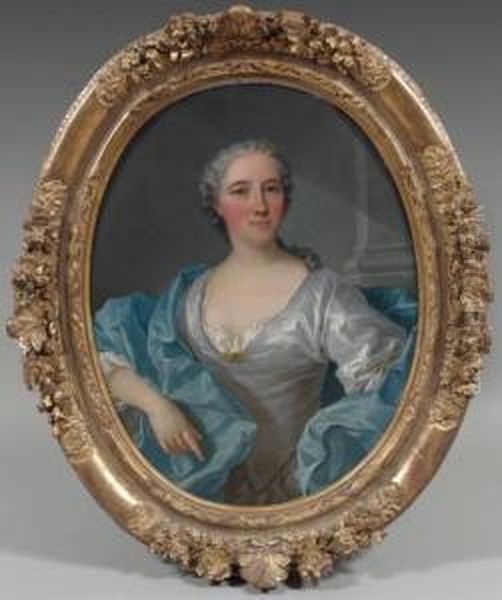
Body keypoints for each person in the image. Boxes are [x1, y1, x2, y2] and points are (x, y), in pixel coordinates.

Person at [94, 139, 417, 505]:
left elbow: (389, 387)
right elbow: (107, 358)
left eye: (271, 189)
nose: (260, 206)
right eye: (241, 191)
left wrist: (326, 455)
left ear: (285, 201)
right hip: (209, 487)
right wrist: (158, 407)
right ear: (217, 204)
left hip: (298, 487)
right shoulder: (189, 296)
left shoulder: (322, 295)